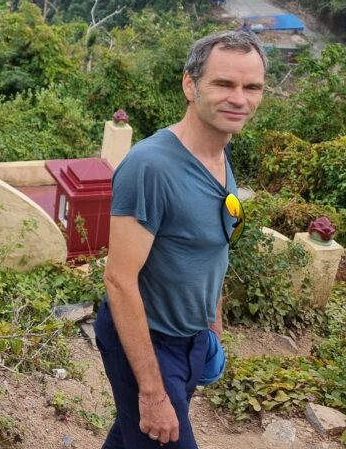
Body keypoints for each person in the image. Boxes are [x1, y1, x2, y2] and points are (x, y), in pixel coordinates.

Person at [94, 30, 267, 448]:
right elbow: (119, 279)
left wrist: (212, 323)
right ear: (190, 85)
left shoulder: (220, 154)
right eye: (224, 84)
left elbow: (212, 247)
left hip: (191, 339)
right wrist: (152, 393)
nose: (239, 99)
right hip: (148, 342)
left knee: (132, 436)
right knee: (158, 429)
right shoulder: (150, 167)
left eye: (252, 87)